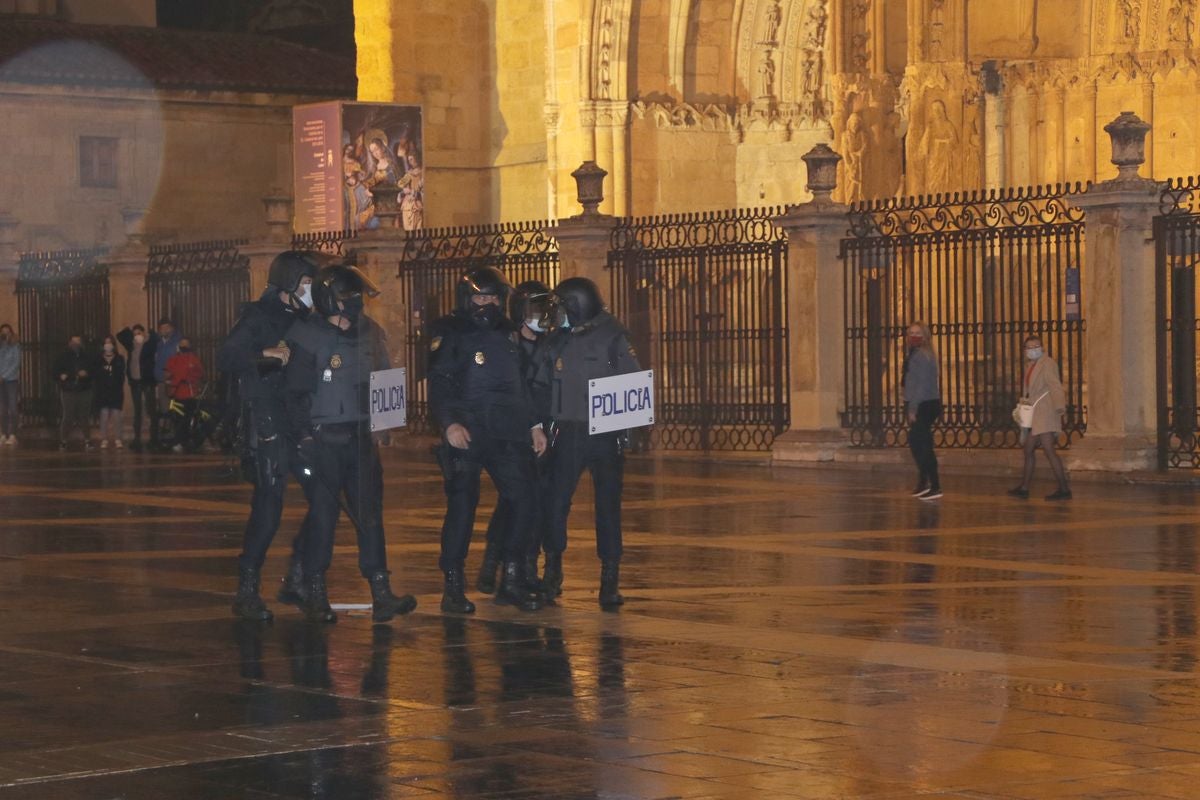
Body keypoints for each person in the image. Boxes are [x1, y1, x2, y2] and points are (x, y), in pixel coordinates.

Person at [285, 264, 417, 624]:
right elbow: (294, 394)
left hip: (360, 438)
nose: (356, 303)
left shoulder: (371, 333)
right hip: (324, 440)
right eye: (349, 297)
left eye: (358, 297)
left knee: (370, 516)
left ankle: (381, 591)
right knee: (323, 518)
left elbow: (386, 377)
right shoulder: (307, 336)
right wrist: (303, 438)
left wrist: (386, 425)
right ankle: (314, 590)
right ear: (330, 300)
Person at [428, 267, 547, 614]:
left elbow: (521, 384)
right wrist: (449, 424)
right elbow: (439, 382)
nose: (487, 304)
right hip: (467, 429)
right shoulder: (449, 331)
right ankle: (453, 585)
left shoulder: (509, 334)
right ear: (467, 298)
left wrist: (534, 425)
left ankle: (510, 578)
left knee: (524, 500)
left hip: (507, 429)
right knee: (462, 507)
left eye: (494, 297)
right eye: (481, 297)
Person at [218, 251, 320, 621]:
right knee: (269, 505)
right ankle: (247, 588)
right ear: (289, 284)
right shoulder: (258, 316)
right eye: (307, 284)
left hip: (302, 421)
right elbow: (228, 355)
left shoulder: (311, 320)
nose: (312, 291)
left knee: (322, 498)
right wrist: (264, 352)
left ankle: (298, 576)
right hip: (268, 422)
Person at [532, 277, 640, 610]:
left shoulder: (613, 336)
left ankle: (610, 579)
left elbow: (633, 382)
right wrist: (538, 425)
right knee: (556, 501)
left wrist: (630, 433)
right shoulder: (555, 341)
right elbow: (538, 384)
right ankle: (553, 570)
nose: (557, 314)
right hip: (567, 432)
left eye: (563, 307)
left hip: (605, 434)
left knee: (608, 507)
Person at [477, 280, 554, 596]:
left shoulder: (551, 343)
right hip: (516, 431)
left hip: (547, 429)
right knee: (516, 500)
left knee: (535, 501)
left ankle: (525, 566)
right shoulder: (508, 343)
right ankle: (497, 562)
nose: (541, 317)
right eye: (535, 310)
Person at [1008, 335, 1072, 501]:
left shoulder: (1047, 363)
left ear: (1042, 347)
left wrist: (1060, 407)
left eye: (1036, 346)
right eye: (1029, 347)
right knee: (1029, 449)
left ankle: (1064, 489)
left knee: (1048, 450)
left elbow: (1055, 385)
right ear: (1025, 350)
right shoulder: (1030, 365)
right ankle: (1024, 488)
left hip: (1046, 412)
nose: (1033, 349)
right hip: (1036, 413)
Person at [902, 322, 942, 500]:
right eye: (911, 332)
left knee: (922, 445)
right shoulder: (915, 354)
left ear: (925, 335)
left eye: (918, 333)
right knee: (920, 443)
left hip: (924, 404)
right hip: (923, 403)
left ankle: (934, 485)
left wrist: (913, 408)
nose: (913, 336)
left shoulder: (922, 356)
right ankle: (924, 482)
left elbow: (921, 386)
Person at [116, 323, 159, 451]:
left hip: (147, 382)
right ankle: (137, 440)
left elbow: (156, 339)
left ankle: (154, 439)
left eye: (139, 333)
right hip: (135, 383)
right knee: (138, 412)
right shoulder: (131, 345)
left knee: (152, 411)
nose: (137, 336)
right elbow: (120, 336)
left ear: (143, 333)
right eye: (135, 334)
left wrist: (149, 334)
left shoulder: (149, 344)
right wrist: (129, 330)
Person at [54, 334, 96, 451]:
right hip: (68, 389)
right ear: (69, 343)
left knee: (84, 416)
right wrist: (61, 376)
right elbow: (55, 371)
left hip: (84, 389)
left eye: (78, 341)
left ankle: (87, 440)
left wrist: (86, 374)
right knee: (68, 416)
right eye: (73, 341)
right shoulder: (63, 356)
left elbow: (94, 370)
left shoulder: (87, 356)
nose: (75, 344)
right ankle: (63, 441)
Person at [164, 337, 204, 453]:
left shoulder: (194, 359)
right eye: (182, 344)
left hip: (190, 393)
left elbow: (200, 373)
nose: (183, 346)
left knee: (186, 419)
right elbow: (167, 374)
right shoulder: (173, 359)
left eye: (185, 344)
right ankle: (180, 440)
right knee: (179, 419)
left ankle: (181, 441)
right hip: (177, 393)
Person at [94, 335, 126, 450]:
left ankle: (118, 438)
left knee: (117, 416)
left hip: (116, 391)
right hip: (102, 392)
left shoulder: (119, 358)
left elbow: (121, 375)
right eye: (106, 343)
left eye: (110, 343)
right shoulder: (98, 359)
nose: (108, 345)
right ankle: (104, 439)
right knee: (103, 415)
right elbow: (96, 375)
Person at [0, 324, 19, 446]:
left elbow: (16, 363)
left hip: (11, 380)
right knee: (2, 409)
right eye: (3, 332)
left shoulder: (15, 346)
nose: (5, 334)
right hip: (0, 381)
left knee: (12, 408)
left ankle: (12, 434)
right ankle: (3, 433)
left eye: (7, 332)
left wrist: (4, 375)